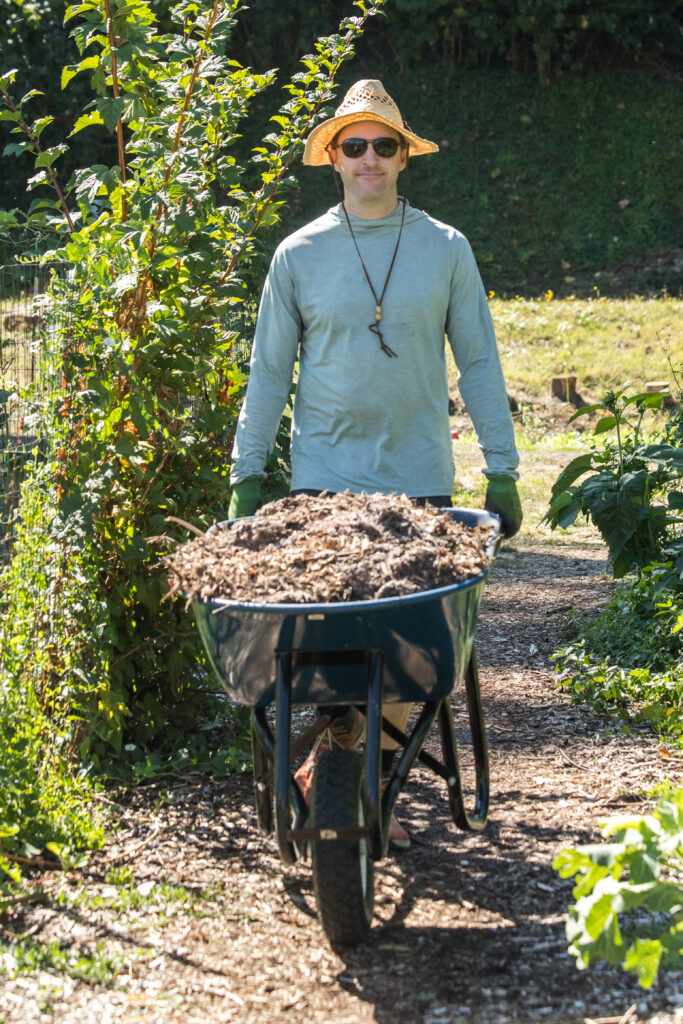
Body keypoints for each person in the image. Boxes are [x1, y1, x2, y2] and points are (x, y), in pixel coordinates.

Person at [228, 79, 522, 848]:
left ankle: (352, 777)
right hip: (321, 481)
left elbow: (480, 363)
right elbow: (267, 370)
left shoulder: (444, 248)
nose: (368, 158)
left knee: (405, 655)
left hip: (419, 478)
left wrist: (502, 470)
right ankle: (341, 759)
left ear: (402, 157)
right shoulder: (299, 254)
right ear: (332, 157)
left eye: (382, 145)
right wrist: (245, 475)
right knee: (323, 647)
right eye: (352, 145)